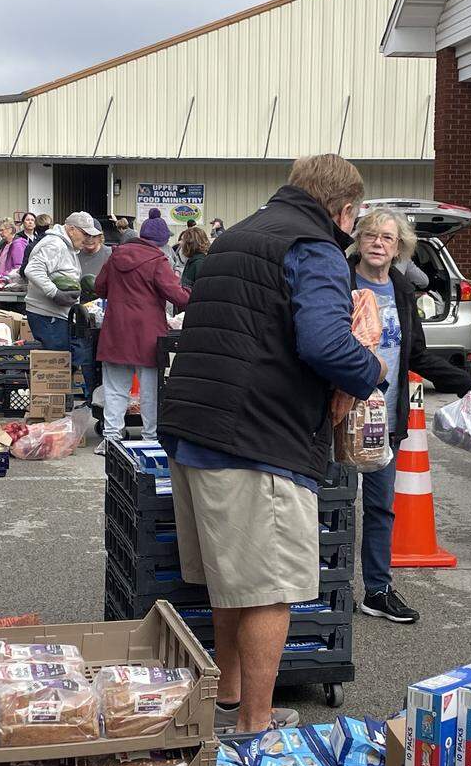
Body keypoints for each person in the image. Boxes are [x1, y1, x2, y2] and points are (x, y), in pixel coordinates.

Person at [159, 154, 386, 733]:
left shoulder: (235, 236)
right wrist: (371, 368)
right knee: (269, 591)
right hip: (256, 437)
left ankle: (229, 700)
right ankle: (255, 724)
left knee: (231, 581)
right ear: (345, 210)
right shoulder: (314, 247)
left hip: (194, 427)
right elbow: (325, 344)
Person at [346, 208, 471, 623]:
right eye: (371, 235)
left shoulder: (401, 290)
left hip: (385, 421)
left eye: (387, 238)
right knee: (331, 509)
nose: (378, 243)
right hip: (338, 420)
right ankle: (326, 588)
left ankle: (377, 590)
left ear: (399, 247)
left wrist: (461, 380)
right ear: (358, 240)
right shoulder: (339, 281)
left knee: (380, 508)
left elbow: (416, 353)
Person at [94, 224, 190, 454]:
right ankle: (150, 439)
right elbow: (177, 296)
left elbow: (99, 288)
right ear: (162, 241)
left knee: (115, 389)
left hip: (116, 330)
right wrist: (194, 292)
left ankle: (111, 439)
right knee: (150, 392)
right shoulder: (157, 261)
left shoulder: (115, 256)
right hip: (148, 334)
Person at [23, 212, 95, 352]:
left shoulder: (66, 245)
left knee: (61, 359)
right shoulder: (55, 244)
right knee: (57, 361)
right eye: (85, 234)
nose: (88, 239)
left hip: (55, 316)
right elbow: (32, 270)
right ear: (72, 230)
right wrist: (55, 293)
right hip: (48, 315)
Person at [73, 222, 112, 390]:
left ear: (100, 236)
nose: (89, 239)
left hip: (106, 314)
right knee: (85, 356)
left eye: (93, 236)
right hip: (82, 314)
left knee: (104, 357)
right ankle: (90, 394)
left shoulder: (110, 254)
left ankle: (103, 394)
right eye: (86, 235)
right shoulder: (74, 255)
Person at [140, 209, 183, 274]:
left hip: (168, 279)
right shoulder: (142, 250)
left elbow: (177, 264)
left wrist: (177, 272)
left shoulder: (168, 248)